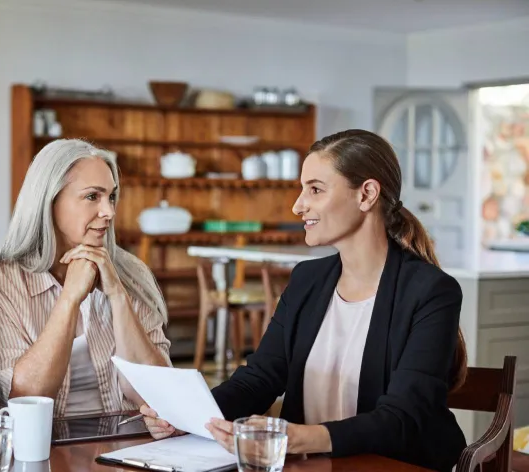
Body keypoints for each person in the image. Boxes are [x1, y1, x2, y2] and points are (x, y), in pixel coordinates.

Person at [142, 129, 468, 472]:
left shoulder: (431, 291)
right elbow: (260, 379)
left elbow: (402, 418)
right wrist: (187, 416)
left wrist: (298, 438)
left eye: (315, 189)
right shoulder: (307, 280)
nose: (298, 205)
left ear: (367, 194)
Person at [0, 139, 171, 418]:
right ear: (49, 201)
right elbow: (27, 397)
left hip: (127, 445)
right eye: (93, 196)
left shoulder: (131, 274)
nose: (109, 212)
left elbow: (159, 395)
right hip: (44, 447)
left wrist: (117, 295)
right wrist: (69, 298)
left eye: (111, 196)